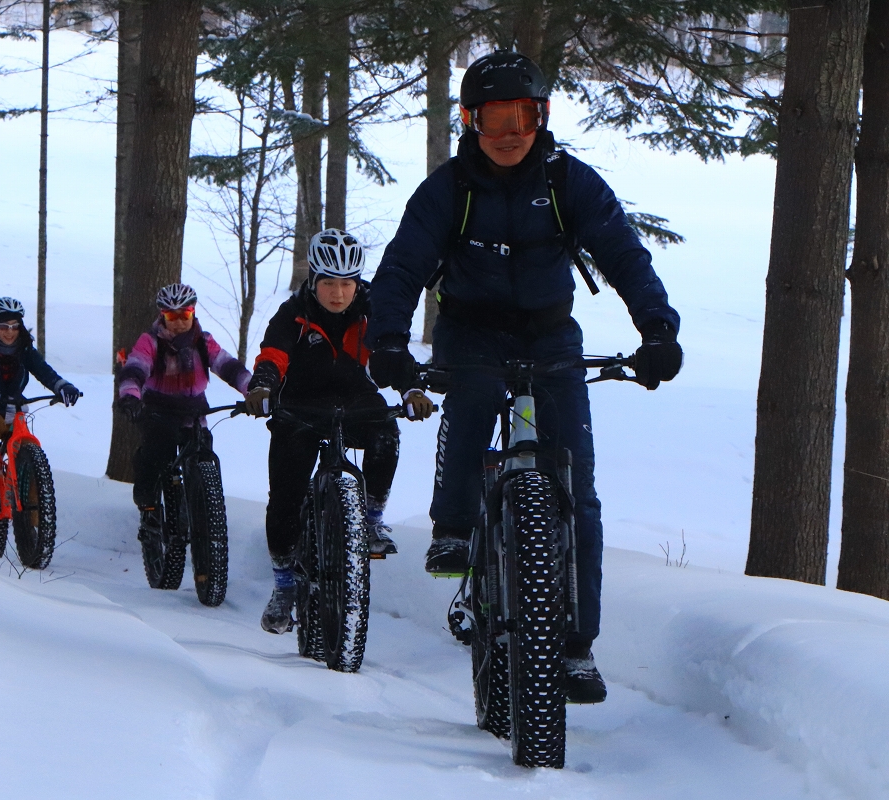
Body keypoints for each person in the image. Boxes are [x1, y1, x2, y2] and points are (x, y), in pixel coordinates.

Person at [363, 52, 683, 703]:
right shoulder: (449, 189)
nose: (510, 131)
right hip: (470, 334)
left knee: (577, 489)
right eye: (493, 118)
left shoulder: (569, 183)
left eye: (523, 115)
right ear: (469, 122)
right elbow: (402, 267)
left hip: (551, 335)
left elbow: (623, 252)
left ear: (541, 116)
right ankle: (454, 531)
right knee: (474, 397)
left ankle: (577, 648)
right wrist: (388, 341)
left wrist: (657, 330)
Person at [245, 229, 435, 634]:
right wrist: (262, 386)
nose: (338, 292)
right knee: (283, 500)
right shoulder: (292, 313)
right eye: (328, 282)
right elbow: (273, 354)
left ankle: (371, 517)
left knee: (386, 431)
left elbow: (392, 351)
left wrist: (411, 388)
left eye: (346, 283)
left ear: (357, 283)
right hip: (299, 408)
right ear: (314, 280)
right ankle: (283, 586)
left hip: (356, 401)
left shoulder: (372, 309)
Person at [115, 283, 251, 538]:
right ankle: (149, 507)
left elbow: (227, 365)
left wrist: (251, 390)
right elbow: (135, 368)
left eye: (184, 315)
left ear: (193, 313)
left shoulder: (203, 341)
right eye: (171, 316)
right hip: (158, 408)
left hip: (194, 410)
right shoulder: (151, 341)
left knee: (203, 456)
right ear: (162, 316)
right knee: (157, 454)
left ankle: (204, 508)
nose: (178, 323)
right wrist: (130, 396)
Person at [0, 297, 79, 541]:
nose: (10, 332)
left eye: (14, 326)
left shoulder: (24, 348)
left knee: (30, 445)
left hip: (13, 409)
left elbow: (43, 370)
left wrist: (62, 385)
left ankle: (34, 523)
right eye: (3, 326)